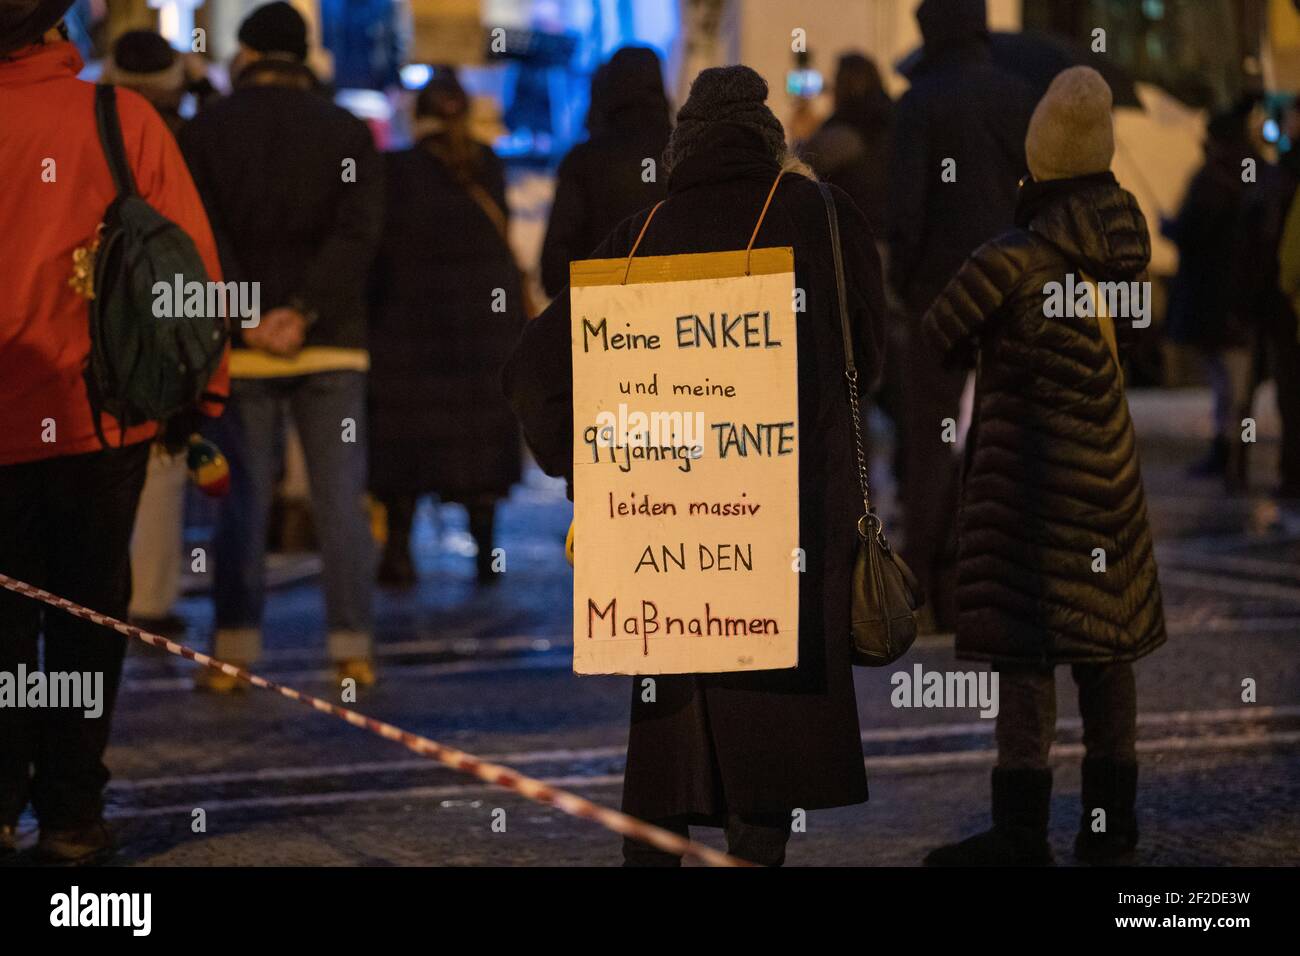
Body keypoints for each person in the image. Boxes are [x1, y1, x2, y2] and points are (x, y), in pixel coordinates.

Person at [505, 65, 885, 866]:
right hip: (794, 524)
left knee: (674, 725)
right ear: (770, 141)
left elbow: (534, 369)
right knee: (771, 723)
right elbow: (870, 355)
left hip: (665, 532)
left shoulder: (643, 235)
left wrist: (593, 469)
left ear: (684, 149)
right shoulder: (823, 215)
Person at [0, 1, 226, 862]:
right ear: (59, 29)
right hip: (97, 422)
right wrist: (199, 400)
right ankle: (69, 810)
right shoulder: (116, 118)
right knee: (87, 619)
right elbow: (188, 272)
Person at [922, 68, 1165, 866]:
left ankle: (1022, 835)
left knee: (1027, 658)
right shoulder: (1127, 254)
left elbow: (934, 338)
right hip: (1109, 487)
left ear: (1040, 154)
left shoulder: (1010, 261)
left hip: (1029, 489)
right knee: (1105, 649)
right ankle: (1111, 830)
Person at [178, 1, 384, 689]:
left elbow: (199, 233)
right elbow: (358, 234)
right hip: (332, 345)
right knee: (339, 500)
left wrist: (248, 315)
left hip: (243, 347)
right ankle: (351, 648)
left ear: (247, 55)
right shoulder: (347, 131)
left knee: (242, 500)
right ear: (303, 58)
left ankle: (234, 651)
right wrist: (304, 310)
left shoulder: (207, 131)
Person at [886, 0, 1037, 630]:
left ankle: (931, 583)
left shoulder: (920, 104)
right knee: (1006, 433)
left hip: (939, 296)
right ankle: (1004, 576)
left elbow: (907, 211)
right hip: (1011, 290)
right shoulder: (1020, 96)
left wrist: (907, 282)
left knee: (932, 441)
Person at [369, 70, 525, 587]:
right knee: (478, 446)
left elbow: (377, 255)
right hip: (483, 334)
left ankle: (398, 555)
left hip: (407, 333)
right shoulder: (490, 167)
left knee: (405, 448)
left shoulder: (393, 170)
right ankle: (485, 555)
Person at [1163, 97, 1262, 489]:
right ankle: (1233, 453)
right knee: (1235, 382)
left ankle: (1229, 453)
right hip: (1243, 299)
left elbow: (1192, 231)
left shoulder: (1211, 179)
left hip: (1214, 298)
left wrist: (1168, 227)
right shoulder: (1252, 174)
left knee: (1227, 381)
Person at [539, 45, 671, 298]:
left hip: (605, 320)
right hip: (679, 316)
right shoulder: (686, 156)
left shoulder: (584, 161)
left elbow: (554, 268)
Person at [798, 52, 892, 231]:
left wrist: (803, 135)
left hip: (856, 230)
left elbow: (803, 167)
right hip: (888, 230)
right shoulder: (890, 118)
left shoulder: (850, 128)